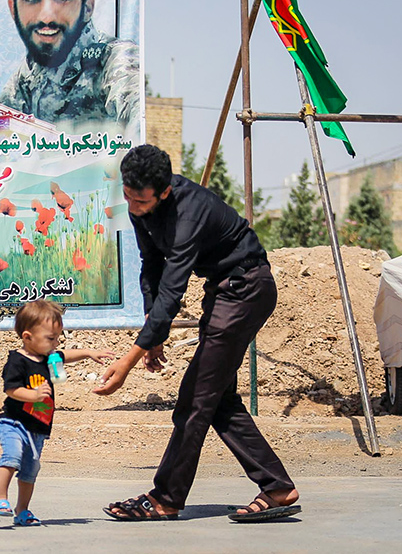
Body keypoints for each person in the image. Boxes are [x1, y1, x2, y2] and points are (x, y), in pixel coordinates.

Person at [93, 144, 301, 522]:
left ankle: (166, 499)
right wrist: (154, 335)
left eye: (140, 201)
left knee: (194, 398)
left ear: (165, 191)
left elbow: (174, 288)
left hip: (246, 289)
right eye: (127, 196)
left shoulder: (190, 211)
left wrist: (129, 359)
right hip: (224, 292)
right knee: (216, 397)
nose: (133, 207)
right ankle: (277, 486)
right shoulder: (141, 205)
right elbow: (152, 267)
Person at [0, 0, 140, 130]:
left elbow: (136, 113)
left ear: (87, 8)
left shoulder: (115, 59)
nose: (46, 17)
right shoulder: (28, 74)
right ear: (14, 9)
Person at [0, 299, 113, 526]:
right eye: (50, 338)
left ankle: (23, 510)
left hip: (38, 427)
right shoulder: (17, 360)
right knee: (12, 456)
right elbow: (11, 389)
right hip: (14, 423)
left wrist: (88, 352)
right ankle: (0, 499)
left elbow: (67, 355)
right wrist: (33, 395)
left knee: (30, 470)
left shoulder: (48, 357)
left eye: (57, 337)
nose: (56, 342)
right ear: (27, 337)